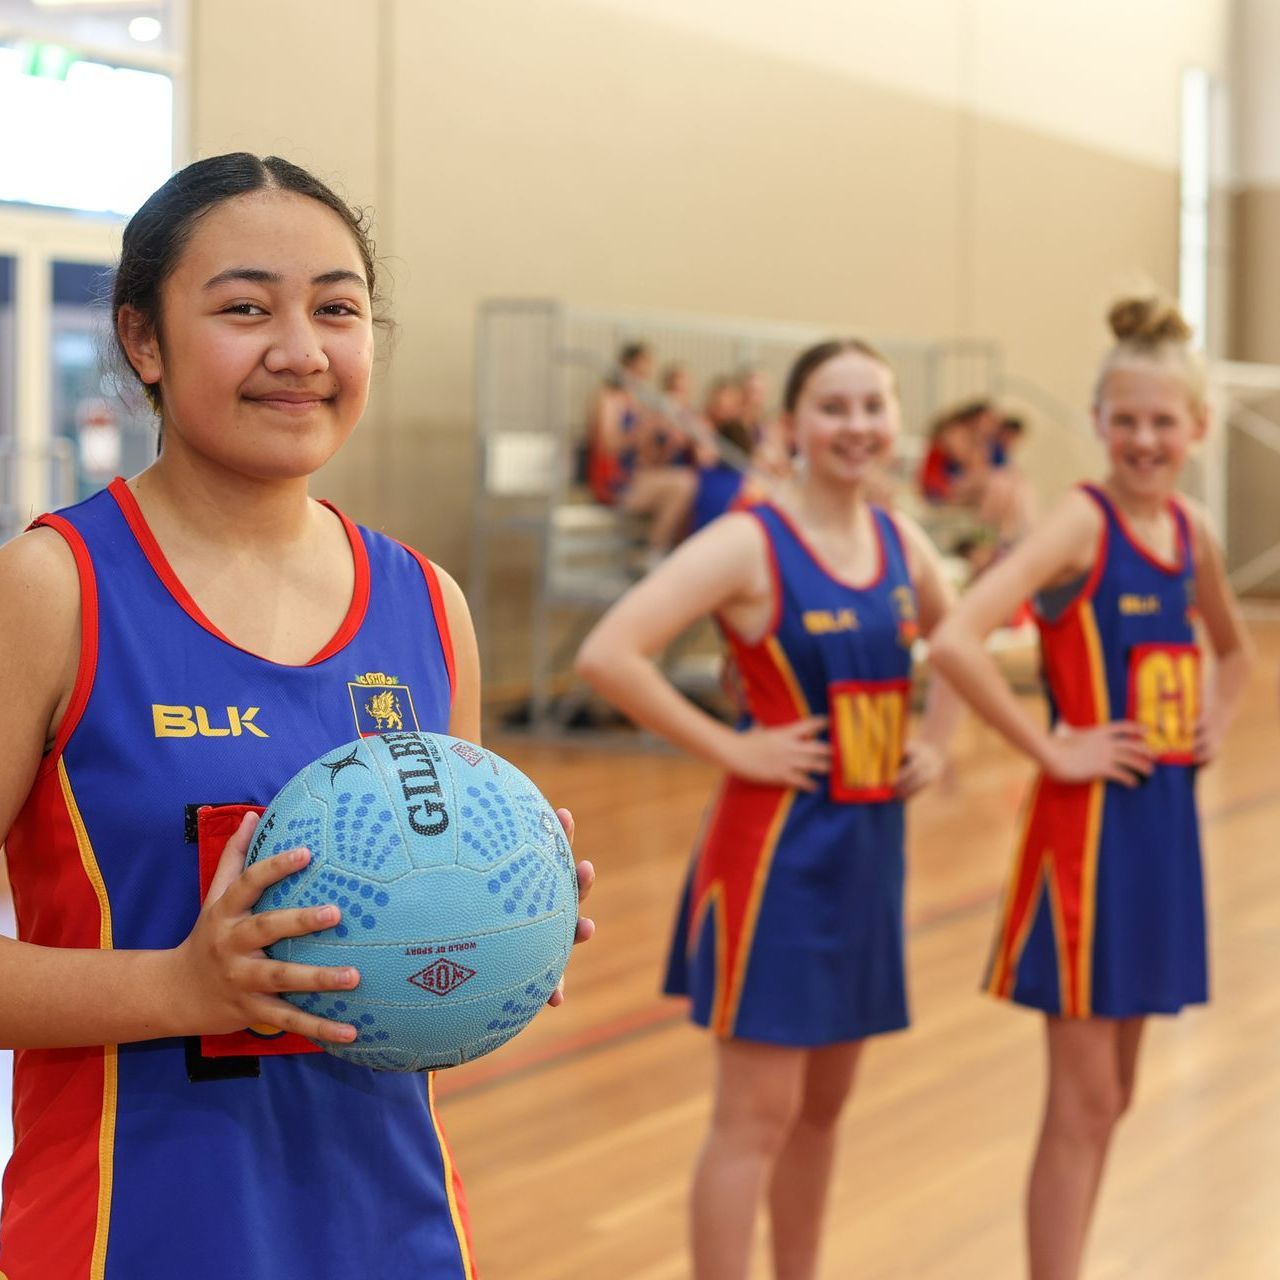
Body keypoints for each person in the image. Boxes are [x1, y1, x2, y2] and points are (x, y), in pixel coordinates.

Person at [0, 153, 594, 1280]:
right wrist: (177, 985)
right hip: (127, 1231)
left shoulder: (429, 602)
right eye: (244, 308)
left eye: (337, 308)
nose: (301, 350)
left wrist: (498, 922)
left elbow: (411, 965)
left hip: (401, 1230)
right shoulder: (53, 588)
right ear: (142, 339)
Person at [576, 339, 958, 1280]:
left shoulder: (903, 543)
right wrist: (733, 745)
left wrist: (940, 740)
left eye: (874, 404)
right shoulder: (753, 540)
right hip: (775, 861)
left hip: (870, 854)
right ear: (792, 426)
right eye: (834, 406)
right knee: (754, 1119)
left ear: (897, 421)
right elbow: (610, 652)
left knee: (823, 1114)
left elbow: (964, 638)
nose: (857, 425)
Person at [928, 295, 1253, 1280]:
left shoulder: (1188, 529)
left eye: (1162, 421)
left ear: (1195, 428)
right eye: (1125, 419)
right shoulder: (1080, 519)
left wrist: (1213, 722)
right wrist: (1048, 743)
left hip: (1160, 832)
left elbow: (1233, 653)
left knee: (1111, 1094)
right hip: (1082, 836)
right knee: (1076, 1101)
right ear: (1098, 420)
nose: (1143, 439)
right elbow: (952, 637)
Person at [586, 342, 696, 555]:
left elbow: (647, 457)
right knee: (683, 484)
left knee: (687, 484)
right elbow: (608, 446)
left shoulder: (640, 403)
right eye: (638, 370)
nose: (642, 376)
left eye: (646, 371)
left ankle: (659, 550)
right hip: (612, 480)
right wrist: (641, 430)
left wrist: (668, 442)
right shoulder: (608, 399)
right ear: (624, 368)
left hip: (635, 476)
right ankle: (655, 551)